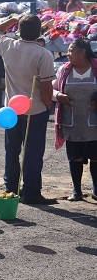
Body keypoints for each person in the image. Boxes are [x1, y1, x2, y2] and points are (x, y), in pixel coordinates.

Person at [0, 15, 56, 205]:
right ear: (39, 32)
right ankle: (31, 191)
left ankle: (11, 188)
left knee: (12, 150)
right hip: (35, 109)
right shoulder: (43, 54)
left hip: (11, 110)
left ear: (19, 30)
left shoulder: (7, 45)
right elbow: (46, 87)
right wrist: (48, 106)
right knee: (33, 153)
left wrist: (12, 20)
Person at [52, 39, 97, 201]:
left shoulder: (96, 68)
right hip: (71, 122)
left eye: (71, 50)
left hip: (94, 124)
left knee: (96, 157)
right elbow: (52, 89)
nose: (68, 54)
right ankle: (76, 191)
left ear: (82, 52)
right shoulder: (64, 70)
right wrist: (59, 96)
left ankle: (96, 190)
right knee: (75, 157)